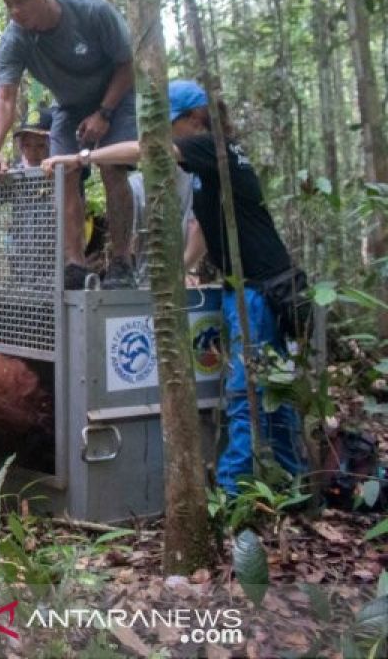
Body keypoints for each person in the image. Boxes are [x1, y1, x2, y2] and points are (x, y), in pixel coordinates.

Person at [40, 80, 306, 494]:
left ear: (193, 120)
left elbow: (148, 152)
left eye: (171, 126)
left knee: (245, 391)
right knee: (269, 389)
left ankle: (234, 494)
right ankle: (293, 482)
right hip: (250, 287)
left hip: (260, 289)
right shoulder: (210, 163)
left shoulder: (210, 146)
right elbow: (203, 223)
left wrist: (81, 157)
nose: (167, 136)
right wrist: (183, 267)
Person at [0, 0, 137, 290]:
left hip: (116, 100)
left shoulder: (92, 12)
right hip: (69, 107)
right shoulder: (15, 40)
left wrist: (104, 113)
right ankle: (75, 265)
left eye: (20, 1)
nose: (14, 11)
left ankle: (121, 261)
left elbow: (127, 65)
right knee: (61, 173)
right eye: (7, 4)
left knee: (112, 169)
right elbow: (4, 97)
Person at [128, 168, 206, 286]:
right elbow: (129, 242)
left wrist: (187, 270)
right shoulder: (134, 185)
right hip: (145, 276)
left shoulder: (196, 182)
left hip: (185, 272)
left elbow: (198, 227)